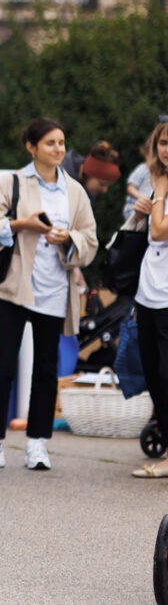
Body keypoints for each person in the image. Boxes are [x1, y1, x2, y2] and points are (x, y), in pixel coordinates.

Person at [0, 116, 97, 474]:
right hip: (15, 288)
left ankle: (38, 444)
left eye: (62, 143)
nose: (59, 149)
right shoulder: (12, 182)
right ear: (31, 147)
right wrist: (23, 225)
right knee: (1, 365)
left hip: (54, 291)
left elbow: (90, 240)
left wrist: (69, 239)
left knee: (46, 369)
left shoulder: (75, 191)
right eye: (50, 143)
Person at [133, 121, 168, 477]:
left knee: (165, 372)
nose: (167, 150)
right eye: (163, 143)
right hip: (148, 292)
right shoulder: (157, 183)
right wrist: (143, 208)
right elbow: (146, 229)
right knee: (152, 373)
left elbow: (160, 230)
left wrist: (158, 193)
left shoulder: (161, 184)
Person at [125, 143, 153, 220]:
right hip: (135, 207)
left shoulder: (159, 173)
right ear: (146, 154)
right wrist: (141, 197)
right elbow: (130, 187)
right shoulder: (143, 169)